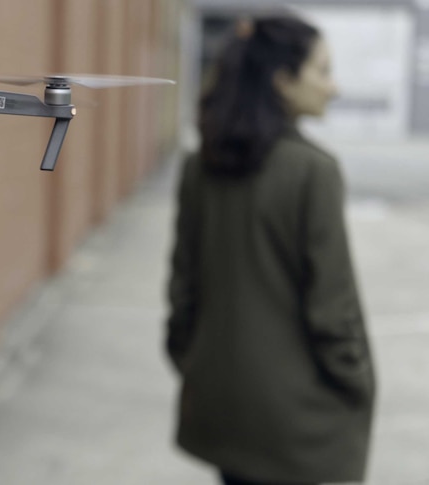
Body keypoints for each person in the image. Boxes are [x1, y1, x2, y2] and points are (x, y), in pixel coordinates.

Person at [164, 14, 376, 485]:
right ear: (282, 80)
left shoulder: (202, 166)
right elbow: (332, 311)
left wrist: (195, 361)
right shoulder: (312, 172)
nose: (333, 87)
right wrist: (358, 386)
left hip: (222, 403)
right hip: (296, 420)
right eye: (322, 71)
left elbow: (183, 289)